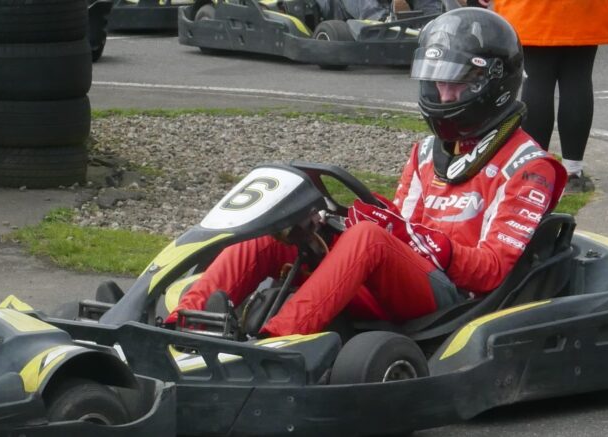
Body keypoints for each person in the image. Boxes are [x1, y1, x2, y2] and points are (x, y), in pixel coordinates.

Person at [166, 7, 566, 337]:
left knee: (369, 238)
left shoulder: (530, 167)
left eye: (456, 85)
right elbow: (400, 226)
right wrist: (327, 224)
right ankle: (185, 324)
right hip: (407, 278)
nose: (443, 96)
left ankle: (278, 341)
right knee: (278, 228)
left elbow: (493, 271)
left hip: (457, 301)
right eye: (437, 83)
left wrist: (428, 244)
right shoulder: (428, 152)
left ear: (491, 84)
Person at [484, 0, 608, 193]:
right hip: (586, 8)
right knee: (578, 77)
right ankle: (573, 171)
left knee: (536, 79)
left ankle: (535, 168)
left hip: (531, 8)